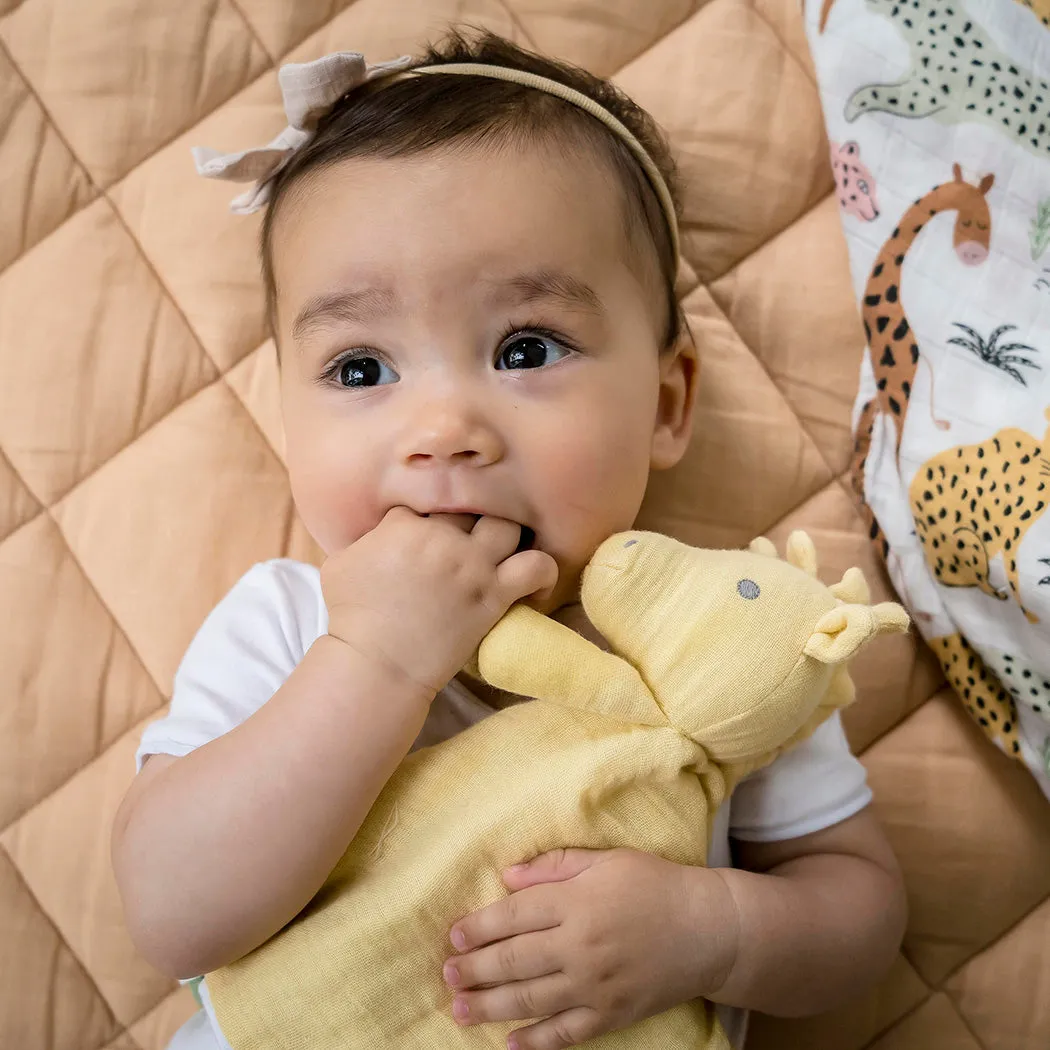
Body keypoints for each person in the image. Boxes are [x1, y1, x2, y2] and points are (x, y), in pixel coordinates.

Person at [110, 27, 907, 1050]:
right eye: (361, 369)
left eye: (526, 348)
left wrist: (714, 930)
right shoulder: (291, 625)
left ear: (667, 403)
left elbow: (861, 911)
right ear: (283, 419)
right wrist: (375, 662)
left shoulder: (730, 641)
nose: (444, 431)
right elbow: (171, 912)